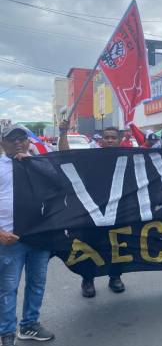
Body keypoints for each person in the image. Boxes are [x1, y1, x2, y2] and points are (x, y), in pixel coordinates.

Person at [0, 124, 55, 345]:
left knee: (37, 283)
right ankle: (6, 333)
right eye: (12, 138)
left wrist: (33, 163)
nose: (18, 142)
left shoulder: (39, 163)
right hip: (10, 239)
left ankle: (29, 325)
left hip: (40, 235)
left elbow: (58, 182)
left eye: (22, 138)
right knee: (8, 287)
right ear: (1, 143)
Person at [58, 121, 126, 297]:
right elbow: (65, 155)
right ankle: (88, 280)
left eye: (113, 138)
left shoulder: (130, 157)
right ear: (100, 140)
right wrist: (63, 133)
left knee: (117, 246)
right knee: (90, 246)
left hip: (118, 212)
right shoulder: (90, 156)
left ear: (120, 140)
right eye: (106, 138)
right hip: (92, 212)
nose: (110, 140)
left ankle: (115, 277)